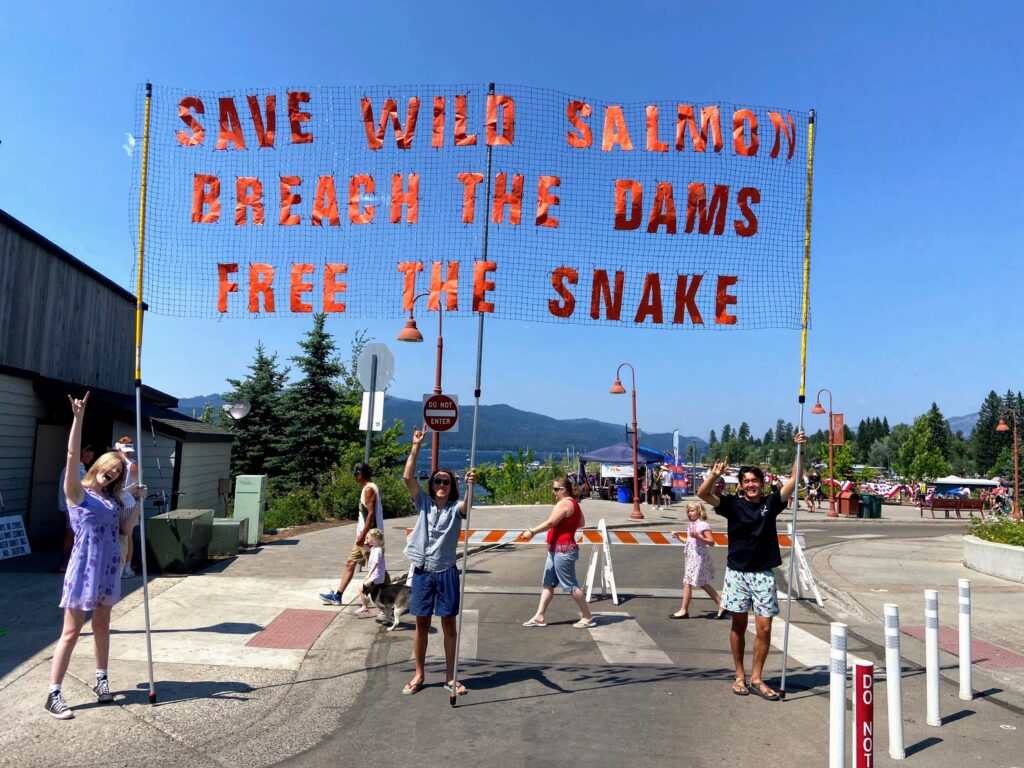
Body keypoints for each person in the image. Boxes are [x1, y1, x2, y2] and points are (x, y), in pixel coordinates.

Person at [47, 393, 143, 719]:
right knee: (71, 632)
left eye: (117, 472)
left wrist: (138, 500)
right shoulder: (77, 492)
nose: (113, 474)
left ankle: (102, 681)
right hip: (83, 570)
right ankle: (54, 693)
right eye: (109, 468)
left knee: (102, 626)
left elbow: (127, 530)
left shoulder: (112, 501)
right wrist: (78, 417)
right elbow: (73, 454)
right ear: (99, 466)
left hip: (108, 568)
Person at [697, 430, 806, 702]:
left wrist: (799, 450)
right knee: (738, 624)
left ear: (761, 482)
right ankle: (739, 675)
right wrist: (715, 474)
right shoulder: (732, 506)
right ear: (741, 485)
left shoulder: (771, 503)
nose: (750, 485)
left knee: (765, 628)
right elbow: (702, 493)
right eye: (746, 481)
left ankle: (757, 678)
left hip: (763, 574)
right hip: (737, 574)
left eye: (754, 480)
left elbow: (795, 479)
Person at [401, 426, 475, 696]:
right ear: (431, 485)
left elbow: (467, 507)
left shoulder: (456, 509)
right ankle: (419, 673)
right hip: (422, 570)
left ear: (451, 486)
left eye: (445, 482)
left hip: (446, 572)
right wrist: (416, 446)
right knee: (421, 623)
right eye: (437, 481)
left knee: (448, 624)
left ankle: (450, 676)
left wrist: (469, 486)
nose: (441, 485)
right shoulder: (423, 502)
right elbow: (407, 476)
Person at [520, 475, 596, 629]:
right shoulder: (574, 503)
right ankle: (539, 616)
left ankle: (587, 617)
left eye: (555, 489)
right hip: (558, 548)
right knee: (548, 583)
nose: (553, 492)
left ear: (563, 490)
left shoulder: (564, 504)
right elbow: (581, 523)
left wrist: (532, 531)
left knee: (570, 585)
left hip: (563, 550)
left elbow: (550, 523)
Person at [319, 462, 385, 606]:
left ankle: (391, 597)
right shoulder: (372, 487)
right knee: (351, 563)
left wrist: (363, 536)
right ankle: (338, 595)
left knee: (378, 571)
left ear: (360, 474)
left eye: (355, 475)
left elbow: (371, 515)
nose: (355, 478)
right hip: (367, 537)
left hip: (370, 539)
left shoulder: (368, 489)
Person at [669, 502, 725, 619]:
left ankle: (684, 610)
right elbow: (689, 541)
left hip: (698, 557)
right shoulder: (691, 525)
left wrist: (698, 537)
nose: (690, 513)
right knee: (702, 583)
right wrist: (678, 537)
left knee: (688, 582)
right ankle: (721, 604)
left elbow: (711, 542)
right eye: (689, 511)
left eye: (692, 510)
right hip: (691, 556)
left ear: (700, 512)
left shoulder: (703, 525)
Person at [57, 444, 94, 571]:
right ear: (83, 453)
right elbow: (88, 485)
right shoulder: (77, 469)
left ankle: (66, 565)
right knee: (71, 536)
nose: (92, 457)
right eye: (90, 454)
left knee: (72, 536)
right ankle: (64, 565)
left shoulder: (73, 467)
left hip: (70, 507)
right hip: (72, 508)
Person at [114, 436, 141, 578]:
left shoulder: (132, 465)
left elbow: (139, 485)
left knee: (127, 536)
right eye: (126, 450)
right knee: (119, 536)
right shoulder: (115, 463)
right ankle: (120, 566)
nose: (129, 453)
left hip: (127, 503)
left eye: (130, 451)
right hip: (116, 503)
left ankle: (126, 567)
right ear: (118, 448)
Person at [354, 528, 386, 616]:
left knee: (361, 588)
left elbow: (375, 563)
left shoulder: (378, 551)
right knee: (374, 594)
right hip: (377, 576)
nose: (367, 540)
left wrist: (369, 574)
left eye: (368, 538)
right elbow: (367, 548)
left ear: (374, 539)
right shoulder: (374, 549)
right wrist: (361, 542)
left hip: (376, 576)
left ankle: (364, 607)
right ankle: (384, 610)